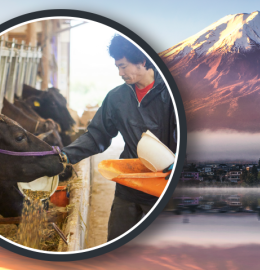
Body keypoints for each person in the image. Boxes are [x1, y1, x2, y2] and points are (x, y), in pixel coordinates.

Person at [61, 34, 176, 241]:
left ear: (142, 61)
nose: (120, 73)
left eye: (123, 67)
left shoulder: (171, 95)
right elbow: (97, 135)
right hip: (129, 183)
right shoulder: (117, 98)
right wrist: (65, 155)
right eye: (117, 67)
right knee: (117, 242)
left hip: (164, 186)